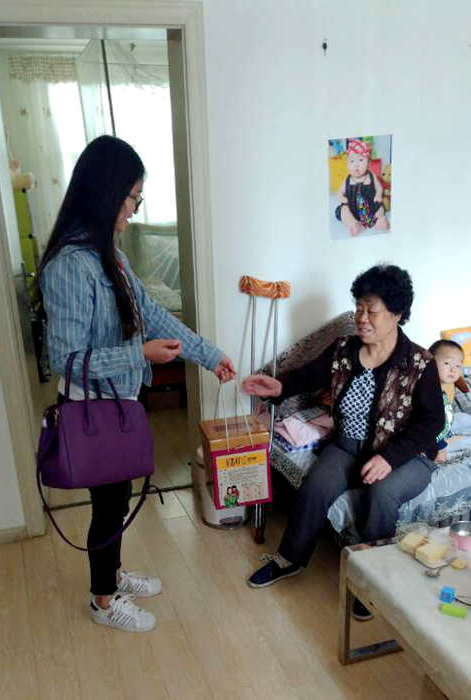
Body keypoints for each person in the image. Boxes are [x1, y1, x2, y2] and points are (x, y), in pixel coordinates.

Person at [38, 135, 235, 633]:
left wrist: (210, 356)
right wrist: (139, 354)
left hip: (119, 402)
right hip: (92, 410)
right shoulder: (69, 266)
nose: (134, 208)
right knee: (108, 507)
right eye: (132, 197)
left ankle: (114, 574)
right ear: (106, 192)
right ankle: (103, 600)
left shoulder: (111, 255)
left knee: (117, 498)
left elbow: (150, 314)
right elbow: (65, 359)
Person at [242, 264, 444, 620]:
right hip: (349, 445)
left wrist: (389, 458)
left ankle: (373, 581)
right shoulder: (344, 350)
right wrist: (279, 386)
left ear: (397, 314)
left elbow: (432, 422)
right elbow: (308, 375)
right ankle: (290, 558)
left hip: (406, 454)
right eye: (359, 308)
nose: (361, 318)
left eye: (372, 311)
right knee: (316, 486)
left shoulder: (419, 364)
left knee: (381, 495)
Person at [336, 140, 389, 237]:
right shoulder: (348, 180)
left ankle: (376, 222)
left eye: (360, 160)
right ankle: (354, 224)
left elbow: (379, 187)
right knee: (343, 209)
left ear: (368, 163)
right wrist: (342, 198)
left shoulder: (371, 176)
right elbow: (339, 192)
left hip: (370, 209)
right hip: (352, 210)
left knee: (380, 208)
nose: (356, 164)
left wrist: (378, 195)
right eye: (352, 161)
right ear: (347, 164)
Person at [429, 339, 471, 461]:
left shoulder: (441, 388)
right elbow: (430, 424)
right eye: (447, 363)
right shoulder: (428, 392)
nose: (453, 369)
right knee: (466, 442)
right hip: (431, 439)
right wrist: (441, 446)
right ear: (429, 362)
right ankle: (441, 452)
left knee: (464, 418)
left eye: (458, 366)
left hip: (445, 428)